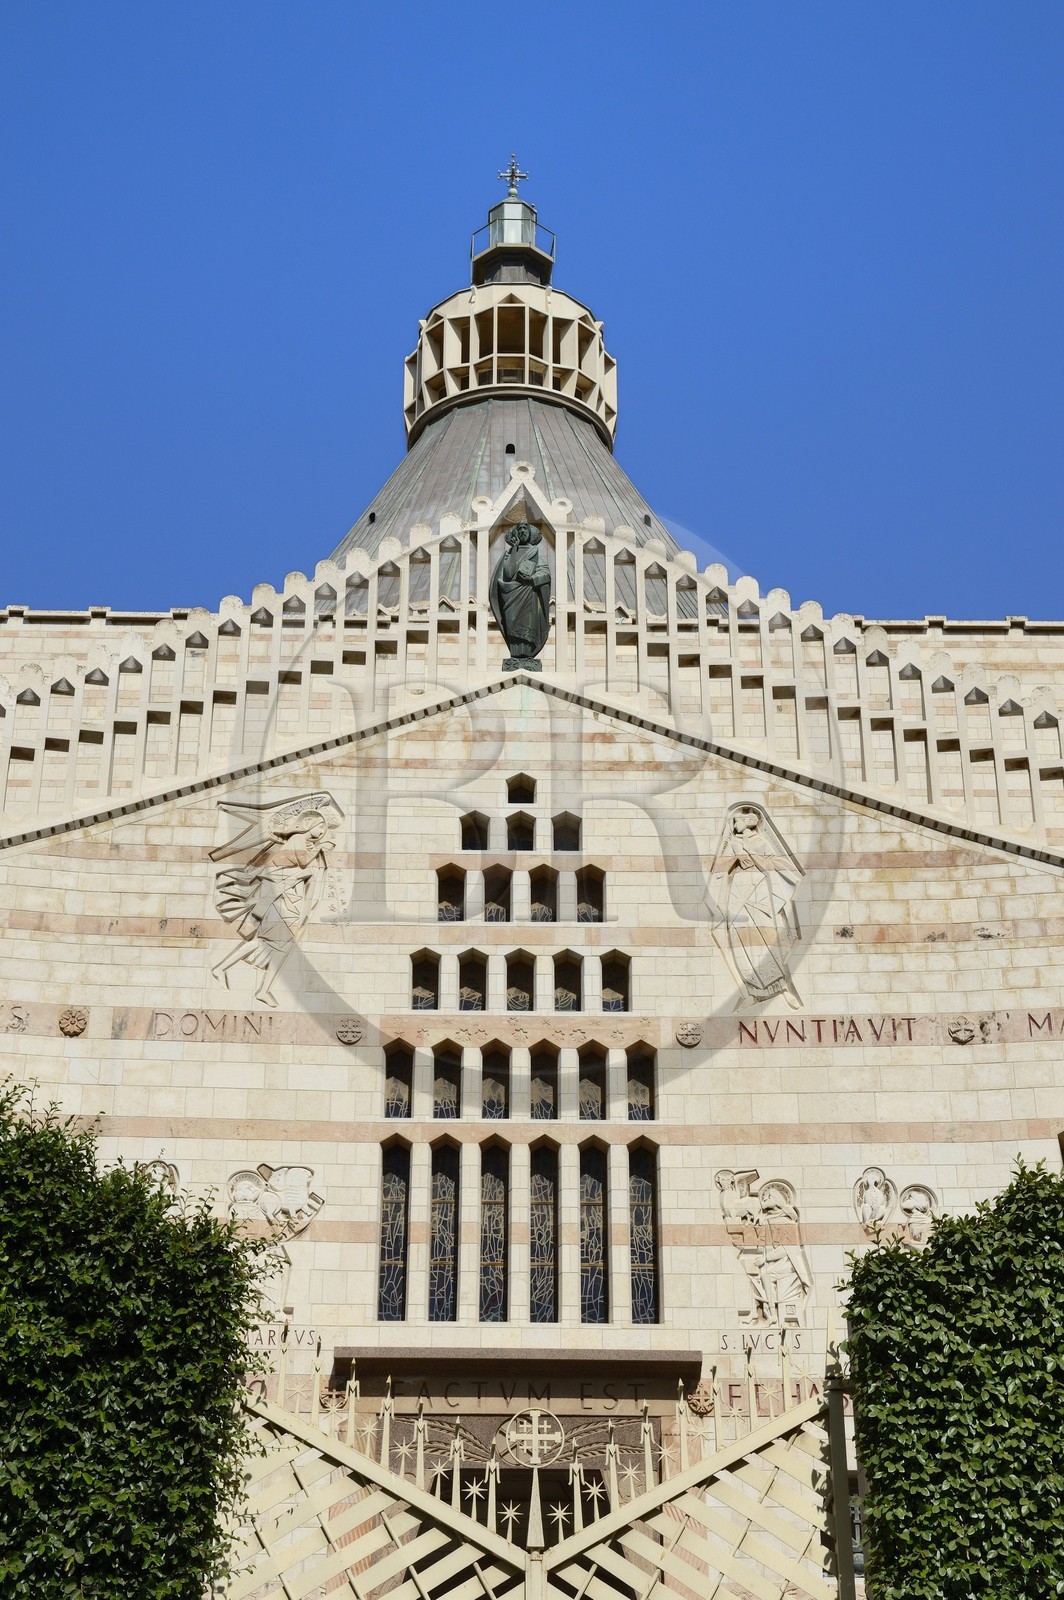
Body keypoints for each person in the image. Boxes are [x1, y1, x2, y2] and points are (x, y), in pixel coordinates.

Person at [489, 521, 551, 665]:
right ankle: (515, 655)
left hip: (529, 594)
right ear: (516, 533)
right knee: (512, 626)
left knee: (528, 626)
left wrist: (532, 578)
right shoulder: (509, 553)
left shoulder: (535, 553)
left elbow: (545, 573)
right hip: (511, 595)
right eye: (520, 529)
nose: (522, 531)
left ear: (530, 533)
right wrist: (514, 551)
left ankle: (527, 655)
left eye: (525, 528)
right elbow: (508, 573)